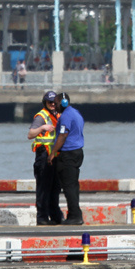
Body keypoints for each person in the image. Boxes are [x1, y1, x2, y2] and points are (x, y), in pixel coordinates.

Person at [27, 91, 63, 226]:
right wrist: (43, 127)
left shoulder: (58, 115)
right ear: (45, 103)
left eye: (54, 102)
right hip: (43, 156)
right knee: (43, 188)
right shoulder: (41, 117)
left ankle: (55, 216)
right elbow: (30, 134)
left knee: (55, 187)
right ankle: (42, 217)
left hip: (55, 156)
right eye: (50, 102)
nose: (52, 104)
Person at [49, 92, 86, 225]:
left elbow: (62, 136)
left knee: (69, 186)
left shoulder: (65, 116)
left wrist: (53, 152)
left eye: (57, 103)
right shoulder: (76, 113)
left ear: (63, 103)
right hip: (77, 152)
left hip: (68, 154)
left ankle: (75, 216)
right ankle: (75, 214)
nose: (55, 105)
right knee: (74, 185)